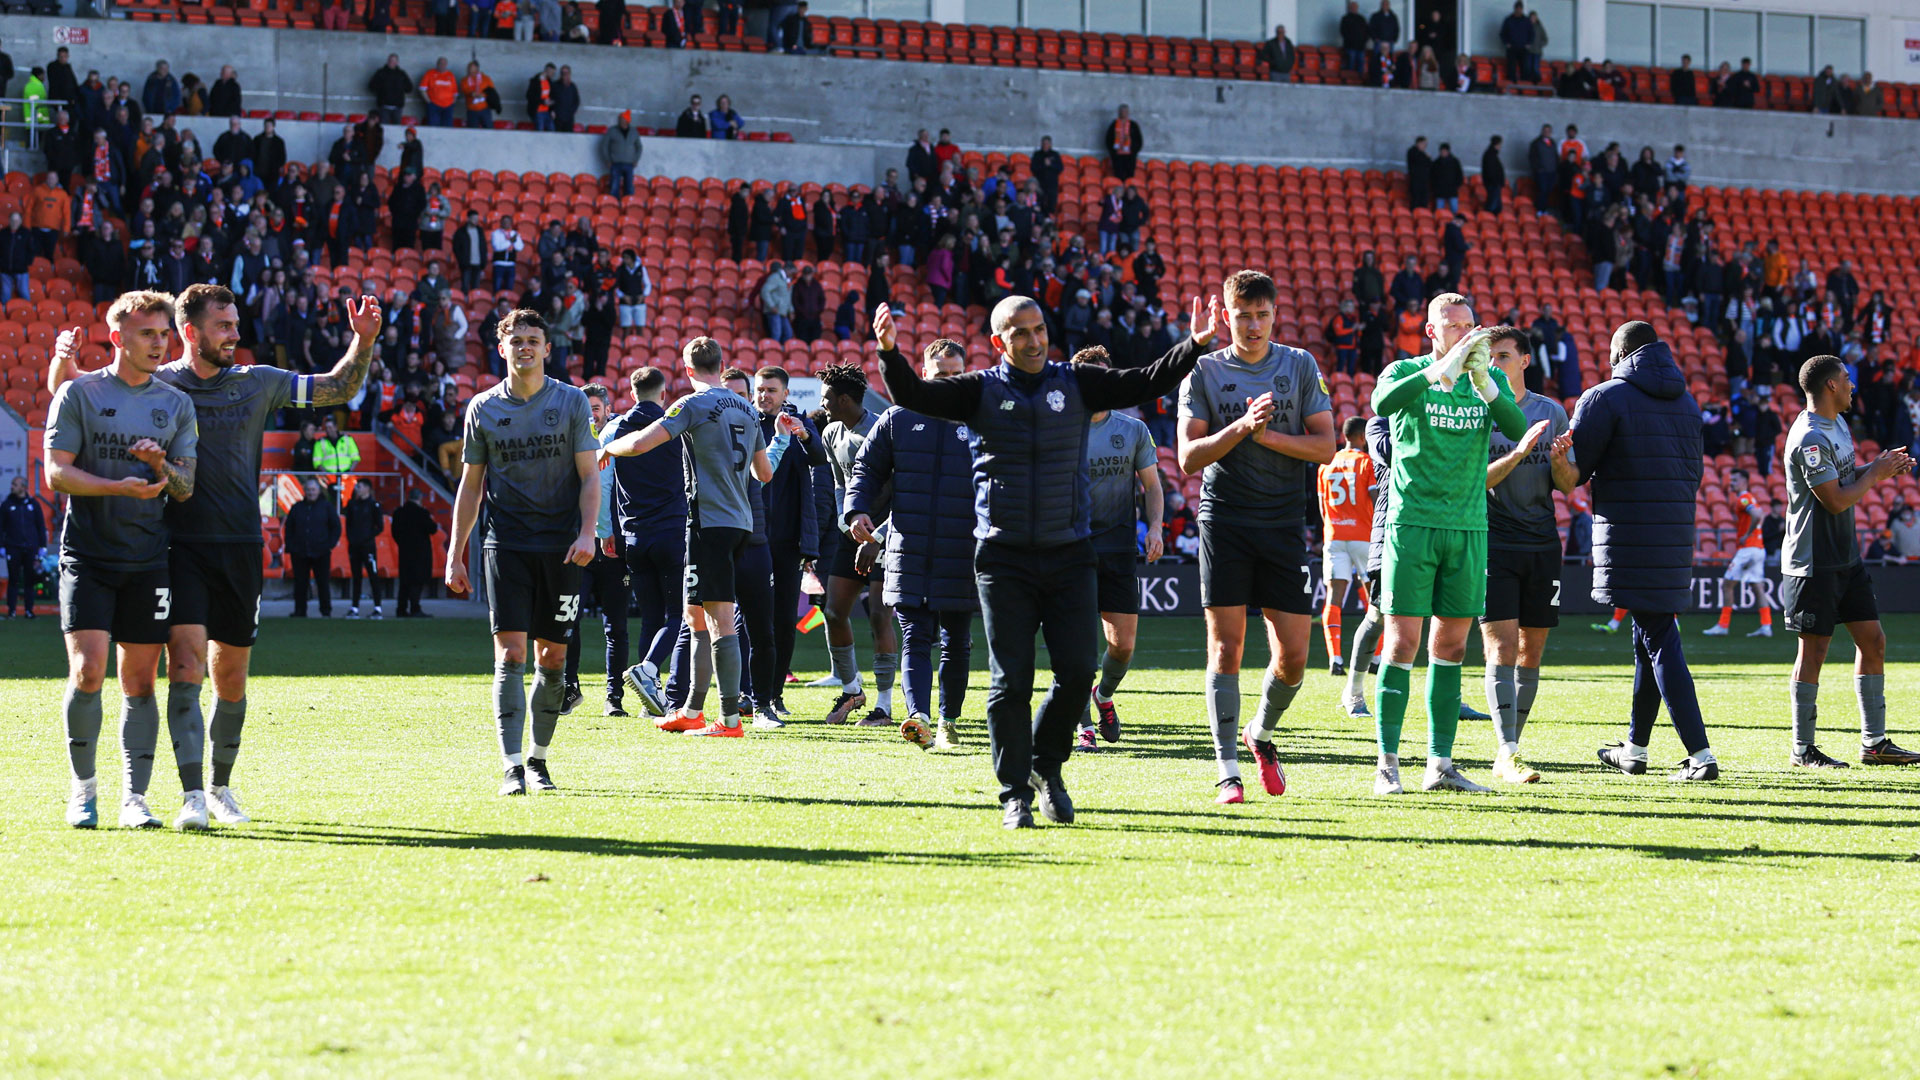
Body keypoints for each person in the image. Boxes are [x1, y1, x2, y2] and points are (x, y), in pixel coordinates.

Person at [876, 290, 1210, 828]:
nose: (1033, 341)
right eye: (1020, 333)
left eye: (1040, 331)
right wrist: (890, 353)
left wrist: (1193, 344)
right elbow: (914, 395)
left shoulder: (1074, 383)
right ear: (998, 341)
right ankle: (1015, 794)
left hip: (1070, 553)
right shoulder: (977, 390)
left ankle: (1045, 765)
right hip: (1002, 558)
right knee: (1011, 682)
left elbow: (1145, 381)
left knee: (1078, 671)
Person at [51, 283, 379, 826]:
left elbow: (337, 389)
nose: (235, 334)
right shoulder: (158, 381)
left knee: (230, 680)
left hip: (241, 545)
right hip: (174, 548)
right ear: (191, 331)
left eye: (235, 324)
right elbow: (82, 396)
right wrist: (62, 363)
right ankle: (189, 796)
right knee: (182, 668)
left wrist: (362, 341)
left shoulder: (259, 383)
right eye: (224, 326)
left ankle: (221, 787)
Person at [1176, 271, 1334, 804]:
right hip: (1224, 520)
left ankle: (1260, 734)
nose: (1252, 324)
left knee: (1293, 658)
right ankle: (1226, 770)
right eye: (1242, 315)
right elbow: (1188, 457)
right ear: (1225, 315)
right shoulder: (1202, 371)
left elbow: (1325, 447)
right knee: (1226, 648)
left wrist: (1268, 435)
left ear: (1275, 315)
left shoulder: (1299, 365)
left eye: (1262, 314)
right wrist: (1241, 429)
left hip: (1285, 523)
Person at [42, 293, 196, 830]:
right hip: (87, 556)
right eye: (148, 334)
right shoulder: (78, 393)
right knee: (87, 673)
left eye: (164, 335)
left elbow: (184, 486)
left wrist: (159, 465)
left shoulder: (175, 404)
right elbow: (56, 474)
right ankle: (83, 792)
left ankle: (136, 799)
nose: (160, 344)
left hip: (149, 561)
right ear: (119, 338)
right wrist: (117, 487)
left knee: (140, 684)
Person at [1368, 294, 1527, 796]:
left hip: (1468, 527)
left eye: (1467, 326)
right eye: (1449, 326)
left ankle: (1440, 765)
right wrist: (1442, 370)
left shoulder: (1488, 380)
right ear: (1431, 331)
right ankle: (1387, 764)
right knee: (1401, 644)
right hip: (1412, 523)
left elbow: (1519, 431)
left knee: (1453, 645)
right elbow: (1380, 405)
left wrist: (1485, 385)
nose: (1460, 333)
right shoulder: (1404, 371)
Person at [445, 310, 597, 796]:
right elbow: (471, 487)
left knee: (552, 658)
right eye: (517, 340)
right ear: (502, 348)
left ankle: (539, 760)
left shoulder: (572, 402)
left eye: (534, 340)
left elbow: (591, 476)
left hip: (562, 548)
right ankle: (511, 766)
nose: (525, 347)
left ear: (547, 349)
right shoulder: (483, 408)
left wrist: (588, 532)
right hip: (505, 544)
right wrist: (455, 554)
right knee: (509, 655)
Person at [600, 338, 780, 738]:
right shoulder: (747, 409)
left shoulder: (690, 404)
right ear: (721, 364)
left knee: (719, 621)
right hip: (739, 521)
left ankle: (729, 720)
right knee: (693, 615)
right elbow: (763, 474)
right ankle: (692, 710)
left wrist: (608, 447)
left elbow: (644, 441)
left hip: (708, 523)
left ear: (687, 369)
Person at [1571, 321, 1719, 782]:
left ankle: (1701, 755)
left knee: (1658, 639)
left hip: (1629, 534)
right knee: (1647, 639)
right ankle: (1635, 749)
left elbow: (1577, 469)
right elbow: (1694, 476)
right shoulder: (1688, 401)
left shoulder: (1604, 396)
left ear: (1619, 353)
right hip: (1674, 533)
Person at [1780, 355, 1920, 768]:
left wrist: (1879, 468)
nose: (1852, 385)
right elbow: (1836, 500)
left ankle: (1874, 744)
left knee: (1873, 642)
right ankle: (1803, 750)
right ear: (1829, 387)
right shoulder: (1808, 436)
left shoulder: (1838, 425)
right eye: (1846, 379)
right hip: (1812, 562)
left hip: (1846, 557)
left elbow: (1842, 478)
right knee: (1814, 653)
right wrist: (1873, 474)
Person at [842, 339, 977, 747]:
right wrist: (857, 510)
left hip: (963, 549)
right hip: (909, 546)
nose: (949, 382)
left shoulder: (982, 421)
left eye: (956, 375)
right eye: (941, 376)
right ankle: (918, 716)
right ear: (924, 374)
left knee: (957, 640)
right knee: (915, 636)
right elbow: (866, 467)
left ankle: (948, 720)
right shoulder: (898, 419)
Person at [1478, 326, 1575, 784]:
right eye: (1489, 356)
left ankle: (1510, 743)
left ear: (1524, 361)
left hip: (1542, 543)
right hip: (1493, 542)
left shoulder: (1550, 411)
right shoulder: (1478, 410)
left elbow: (1568, 484)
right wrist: (1518, 453)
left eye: (1502, 356)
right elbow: (1476, 481)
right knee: (1499, 644)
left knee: (1531, 649)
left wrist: (1559, 465)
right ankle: (1507, 750)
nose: (1494, 364)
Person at [1069, 346, 1161, 752]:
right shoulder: (1062, 429)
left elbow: (1153, 487)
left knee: (1122, 646)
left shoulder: (1133, 429)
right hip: (1071, 547)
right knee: (1079, 643)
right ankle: (1082, 724)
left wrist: (1155, 527)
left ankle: (1102, 695)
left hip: (1120, 546)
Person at [817, 362, 898, 726]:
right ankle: (852, 689)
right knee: (833, 611)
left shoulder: (883, 429)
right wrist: (845, 518)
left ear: (845, 399)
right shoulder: (831, 432)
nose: (823, 404)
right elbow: (839, 483)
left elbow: (901, 493)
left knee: (880, 614)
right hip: (851, 533)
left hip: (885, 534)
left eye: (827, 398)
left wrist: (878, 534)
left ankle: (884, 705)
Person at [609, 368, 689, 722]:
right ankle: (653, 675)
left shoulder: (617, 430)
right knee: (679, 615)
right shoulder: (674, 427)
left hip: (634, 537)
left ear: (631, 392)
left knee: (651, 619)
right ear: (663, 392)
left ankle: (648, 699)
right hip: (671, 533)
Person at [751, 366, 826, 717]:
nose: (764, 395)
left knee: (783, 619)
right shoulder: (745, 422)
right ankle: (750, 693)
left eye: (771, 390)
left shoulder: (799, 424)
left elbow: (819, 457)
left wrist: (805, 436)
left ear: (785, 394)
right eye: (760, 389)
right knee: (749, 617)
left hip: (787, 539)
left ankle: (775, 692)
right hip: (750, 535)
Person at [563, 385, 630, 716]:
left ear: (608, 408)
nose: (591, 413)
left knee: (616, 625)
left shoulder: (621, 440)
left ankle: (613, 697)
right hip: (579, 543)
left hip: (614, 546)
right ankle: (569, 688)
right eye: (586, 407)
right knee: (569, 620)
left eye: (596, 407)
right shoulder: (571, 441)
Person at [1317, 417, 1374, 679]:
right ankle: (1374, 656)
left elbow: (1321, 507)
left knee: (1334, 597)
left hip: (1334, 534)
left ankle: (1335, 659)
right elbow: (1375, 499)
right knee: (1374, 598)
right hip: (1363, 534)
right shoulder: (1366, 462)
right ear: (1363, 437)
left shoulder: (1326, 464)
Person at [1703, 468, 1774, 638]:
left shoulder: (1743, 498)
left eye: (1734, 480)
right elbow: (1761, 514)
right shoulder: (1751, 498)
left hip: (1748, 549)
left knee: (1727, 584)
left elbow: (1757, 515)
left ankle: (1723, 625)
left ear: (1743, 481)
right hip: (1759, 548)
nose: (1731, 483)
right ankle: (1766, 626)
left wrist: (1747, 534)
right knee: (1757, 587)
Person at [284, 478, 339, 620]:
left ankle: (326, 611)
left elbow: (336, 527)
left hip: (321, 551)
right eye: (308, 490)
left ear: (318, 491)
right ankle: (300, 611)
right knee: (300, 583)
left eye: (313, 489)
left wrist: (329, 545)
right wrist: (291, 546)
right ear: (304, 491)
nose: (310, 492)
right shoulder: (297, 508)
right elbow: (289, 528)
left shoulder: (327, 507)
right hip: (300, 551)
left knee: (323, 582)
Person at [390, 487, 438, 618]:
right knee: (417, 581)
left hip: (405, 551)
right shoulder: (422, 513)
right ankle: (415, 608)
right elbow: (432, 529)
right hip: (420, 552)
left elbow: (394, 532)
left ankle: (401, 609)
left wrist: (402, 543)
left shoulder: (399, 512)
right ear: (420, 498)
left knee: (404, 581)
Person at [2, 476, 46, 618]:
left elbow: (40, 526)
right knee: (13, 579)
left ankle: (29, 611)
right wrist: (1, 545)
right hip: (13, 547)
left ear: (23, 487)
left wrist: (43, 546)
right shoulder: (7, 504)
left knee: (29, 580)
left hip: (30, 547)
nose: (12, 486)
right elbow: (1, 527)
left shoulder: (34, 504)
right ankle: (12, 611)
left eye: (15, 484)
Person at [343, 481, 386, 619]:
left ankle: (377, 608)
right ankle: (354, 608)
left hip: (368, 548)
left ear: (367, 488)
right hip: (354, 547)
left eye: (359, 486)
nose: (357, 489)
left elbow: (380, 526)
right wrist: (352, 538)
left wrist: (366, 537)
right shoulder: (352, 505)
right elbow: (348, 524)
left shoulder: (374, 505)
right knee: (356, 577)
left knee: (373, 576)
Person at [602, 111, 643, 200]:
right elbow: (604, 146)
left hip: (629, 164)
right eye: (620, 119)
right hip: (615, 163)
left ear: (628, 121)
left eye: (623, 120)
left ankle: (628, 206)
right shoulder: (612, 130)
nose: (621, 121)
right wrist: (607, 160)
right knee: (614, 187)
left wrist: (636, 159)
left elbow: (639, 147)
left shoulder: (634, 131)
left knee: (629, 188)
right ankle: (614, 207)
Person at [1105, 104, 1142, 182]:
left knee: (1130, 176)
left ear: (1128, 112)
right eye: (1121, 111)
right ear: (1118, 112)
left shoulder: (1133, 125)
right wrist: (1113, 152)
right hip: (1117, 156)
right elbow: (1108, 139)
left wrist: (1133, 150)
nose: (1123, 113)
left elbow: (1139, 140)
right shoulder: (1114, 125)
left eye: (1125, 111)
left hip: (1130, 156)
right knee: (1118, 177)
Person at [1499, 1, 1531, 83]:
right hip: (1512, 48)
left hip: (1523, 48)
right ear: (1515, 9)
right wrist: (1507, 43)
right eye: (1517, 8)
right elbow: (1503, 33)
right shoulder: (1509, 20)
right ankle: (1511, 86)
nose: (1519, 10)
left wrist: (1529, 43)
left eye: (1520, 9)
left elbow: (1532, 33)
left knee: (1525, 67)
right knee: (1511, 68)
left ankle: (1524, 86)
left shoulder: (1526, 21)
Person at [1339, 1, 1370, 72]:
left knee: (1361, 64)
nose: (1354, 8)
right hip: (1350, 46)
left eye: (1355, 7)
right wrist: (1350, 40)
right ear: (1349, 8)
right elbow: (1343, 31)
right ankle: (1349, 80)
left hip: (1361, 46)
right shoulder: (1345, 18)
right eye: (1352, 7)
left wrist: (1364, 41)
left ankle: (1360, 81)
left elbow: (1367, 31)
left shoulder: (1361, 19)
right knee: (1350, 64)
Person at [1481, 134, 1506, 215]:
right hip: (1493, 184)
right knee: (1492, 205)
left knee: (1497, 206)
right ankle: (1487, 218)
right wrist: (1496, 182)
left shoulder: (1491, 154)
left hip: (1494, 183)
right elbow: (1491, 171)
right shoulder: (1490, 155)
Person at [1405, 136, 1431, 210]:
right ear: (1419, 143)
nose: (1425, 146)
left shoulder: (1422, 154)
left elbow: (1429, 164)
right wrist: (1426, 157)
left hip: (1424, 181)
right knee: (1416, 200)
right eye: (1424, 144)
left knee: (1424, 200)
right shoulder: (1413, 152)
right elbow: (1419, 162)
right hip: (1416, 180)